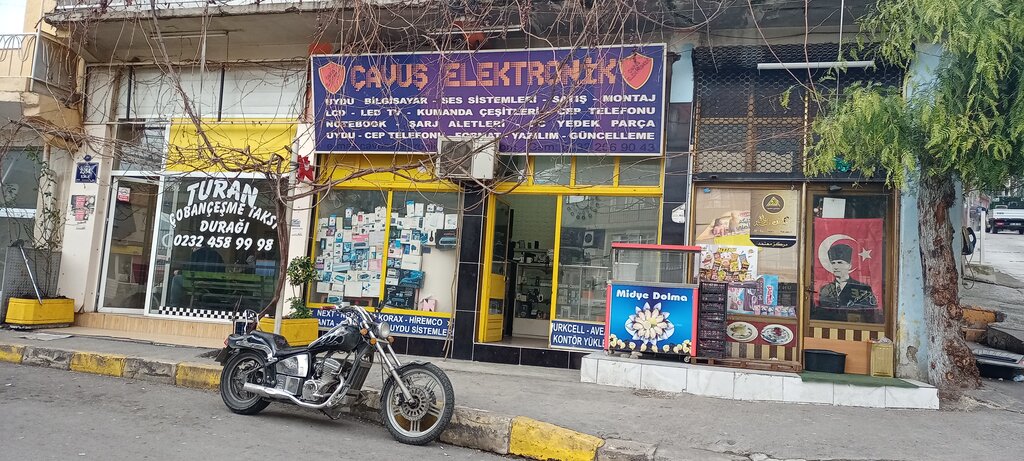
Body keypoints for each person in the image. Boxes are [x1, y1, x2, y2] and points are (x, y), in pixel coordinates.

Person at [818, 243, 877, 309]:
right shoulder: (824, 289)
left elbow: (870, 311)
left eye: (840, 262)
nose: (836, 267)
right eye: (833, 263)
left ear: (849, 266)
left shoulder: (863, 289)